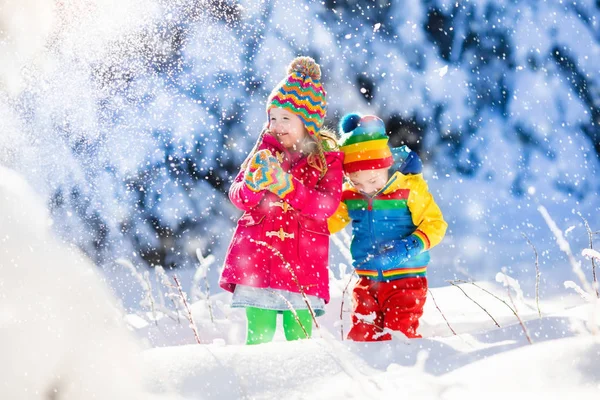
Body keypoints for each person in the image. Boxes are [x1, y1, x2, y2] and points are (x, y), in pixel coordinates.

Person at [220, 56, 344, 344]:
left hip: (303, 262)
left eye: (286, 118)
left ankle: (300, 385)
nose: (276, 125)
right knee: (259, 334)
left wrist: (287, 186)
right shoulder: (263, 151)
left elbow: (327, 205)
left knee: (298, 337)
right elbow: (238, 195)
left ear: (308, 123)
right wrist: (252, 185)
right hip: (258, 259)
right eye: (272, 117)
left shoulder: (327, 160)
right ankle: (255, 383)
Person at [328, 113, 447, 341]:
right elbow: (330, 222)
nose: (366, 189)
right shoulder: (351, 195)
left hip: (406, 279)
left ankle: (407, 372)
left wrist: (408, 247)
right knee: (362, 337)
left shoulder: (408, 189)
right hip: (367, 280)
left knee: (399, 335)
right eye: (357, 182)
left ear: (386, 166)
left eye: (372, 181)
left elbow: (435, 224)